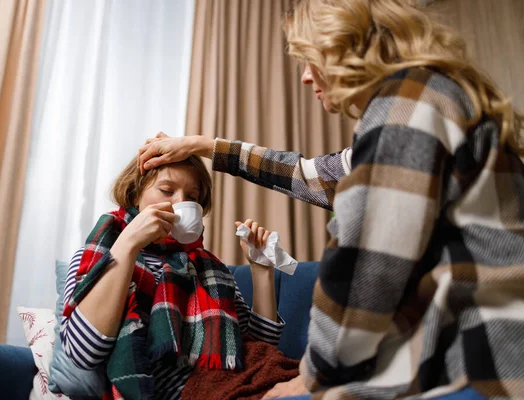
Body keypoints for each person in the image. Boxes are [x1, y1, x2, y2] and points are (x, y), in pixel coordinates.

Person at [138, 0, 524, 399]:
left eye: (310, 58)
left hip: (479, 363)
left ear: (347, 46)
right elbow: (307, 174)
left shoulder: (406, 110)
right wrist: (205, 146)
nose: (306, 77)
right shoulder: (421, 100)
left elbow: (365, 272)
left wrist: (309, 379)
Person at [59, 155, 288, 400]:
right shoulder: (98, 255)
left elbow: (259, 347)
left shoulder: (210, 269)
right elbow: (82, 352)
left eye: (191, 197)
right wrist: (128, 243)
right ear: (136, 194)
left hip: (240, 378)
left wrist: (262, 269)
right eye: (167, 190)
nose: (180, 202)